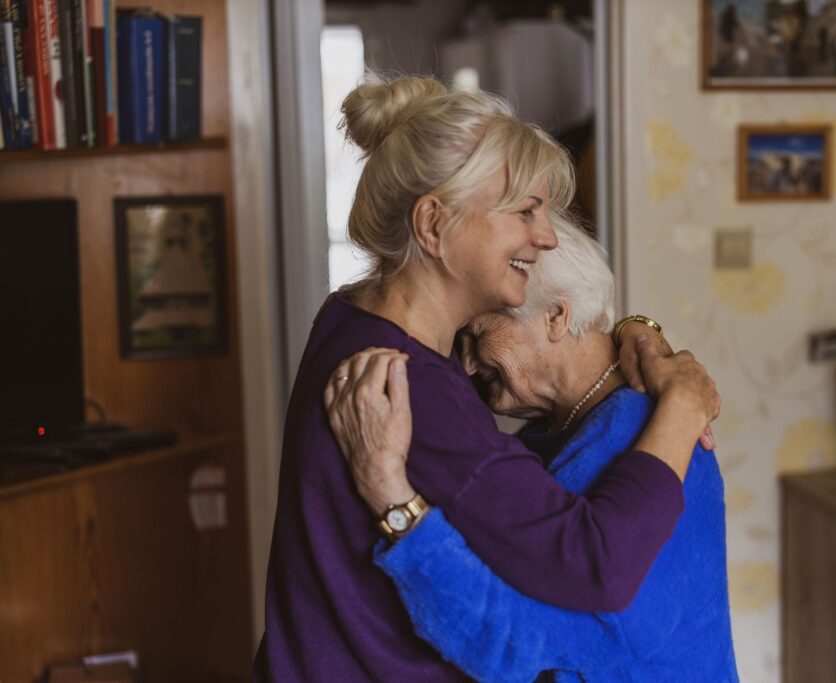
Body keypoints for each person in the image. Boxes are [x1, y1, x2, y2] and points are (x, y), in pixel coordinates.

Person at [253, 75, 719, 681]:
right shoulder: (413, 390)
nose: (545, 236)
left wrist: (634, 328)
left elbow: (557, 356)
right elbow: (595, 564)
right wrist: (682, 405)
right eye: (524, 211)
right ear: (433, 225)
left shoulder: (351, 315)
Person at [326, 220, 739, 682]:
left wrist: (390, 497)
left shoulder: (653, 440)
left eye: (479, 332)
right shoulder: (557, 429)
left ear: (557, 317)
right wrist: (635, 327)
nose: (466, 364)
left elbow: (511, 645)